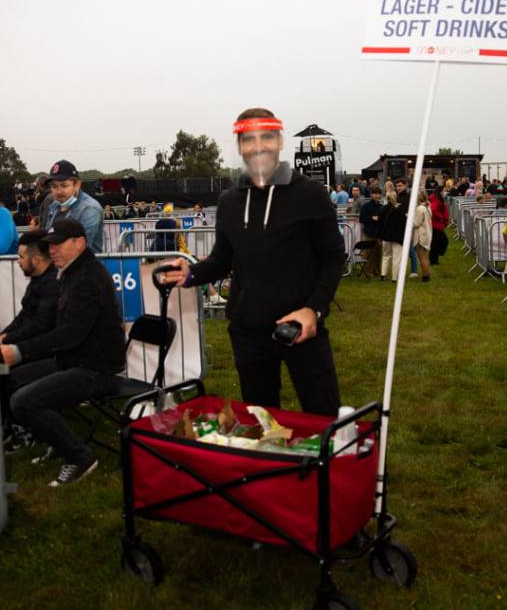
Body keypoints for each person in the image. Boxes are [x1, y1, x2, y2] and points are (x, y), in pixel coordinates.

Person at [158, 107, 346, 417]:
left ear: (280, 141)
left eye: (266, 137)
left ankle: (328, 466)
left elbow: (333, 257)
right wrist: (191, 273)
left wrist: (315, 308)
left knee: (323, 416)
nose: (258, 146)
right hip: (248, 332)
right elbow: (222, 259)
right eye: (249, 140)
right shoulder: (230, 201)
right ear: (239, 147)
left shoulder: (310, 194)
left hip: (301, 328)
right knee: (261, 420)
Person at [0, 219, 125, 486]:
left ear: (79, 243)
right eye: (50, 245)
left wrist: (20, 350)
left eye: (58, 244)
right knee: (14, 379)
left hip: (95, 368)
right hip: (74, 360)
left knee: (23, 401)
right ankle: (56, 441)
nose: (52, 250)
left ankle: (79, 456)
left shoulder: (87, 278)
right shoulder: (71, 272)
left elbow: (70, 334)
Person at [0, 231, 59, 346]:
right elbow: (24, 315)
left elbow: (41, 325)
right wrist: (3, 335)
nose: (18, 261)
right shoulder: (38, 278)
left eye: (21, 257)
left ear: (36, 260)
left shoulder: (53, 284)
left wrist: (7, 339)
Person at [42, 160, 103, 254]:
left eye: (64, 186)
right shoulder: (54, 206)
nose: (59, 191)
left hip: (83, 267)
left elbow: (80, 249)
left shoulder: (90, 209)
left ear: (77, 185)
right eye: (54, 186)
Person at [379, 191, 406, 282]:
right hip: (397, 237)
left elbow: (380, 223)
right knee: (396, 258)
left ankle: (383, 275)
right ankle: (394, 278)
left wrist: (380, 236)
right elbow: (404, 224)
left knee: (386, 256)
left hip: (386, 236)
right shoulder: (401, 209)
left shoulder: (383, 209)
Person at [358, 187, 385, 278]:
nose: (376, 195)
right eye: (374, 193)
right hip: (369, 232)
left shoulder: (381, 207)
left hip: (379, 234)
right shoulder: (366, 206)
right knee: (368, 253)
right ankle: (367, 272)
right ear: (371, 195)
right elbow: (361, 219)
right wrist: (371, 218)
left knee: (378, 254)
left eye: (378, 193)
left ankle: (377, 271)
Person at [411, 190, 432, 282]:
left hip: (421, 235)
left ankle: (425, 275)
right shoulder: (427, 206)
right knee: (424, 256)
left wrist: (409, 218)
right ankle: (426, 274)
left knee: (421, 257)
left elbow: (416, 223)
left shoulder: (420, 208)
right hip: (427, 233)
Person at [428, 188, 450, 265]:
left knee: (436, 243)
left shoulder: (438, 200)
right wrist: (441, 218)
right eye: (444, 191)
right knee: (442, 241)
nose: (445, 192)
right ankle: (434, 259)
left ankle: (434, 260)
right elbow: (433, 210)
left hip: (437, 225)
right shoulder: (436, 200)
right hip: (436, 225)